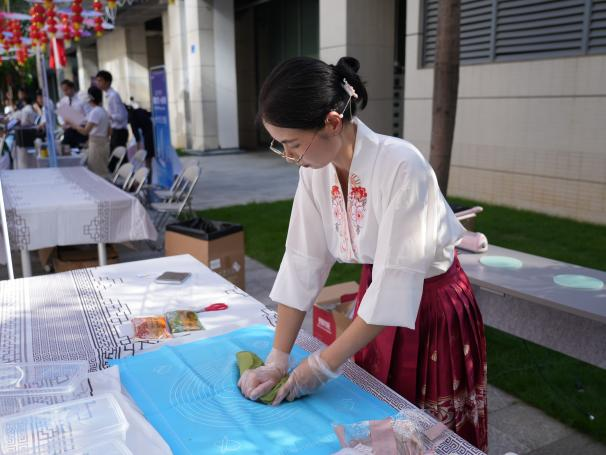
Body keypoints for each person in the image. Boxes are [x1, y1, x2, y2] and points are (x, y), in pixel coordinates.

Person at [237, 56, 488, 451]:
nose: (291, 157)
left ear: (332, 123)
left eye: (293, 145)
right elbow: (303, 260)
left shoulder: (401, 165)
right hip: (375, 302)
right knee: (379, 421)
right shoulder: (315, 172)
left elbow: (395, 286)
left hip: (431, 306)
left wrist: (320, 367)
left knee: (427, 431)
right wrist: (278, 358)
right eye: (281, 146)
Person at [65, 86, 110, 176]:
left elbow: (85, 131)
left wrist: (74, 126)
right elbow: (109, 131)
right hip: (103, 143)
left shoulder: (95, 112)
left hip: (97, 145)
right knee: (101, 170)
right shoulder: (103, 111)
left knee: (97, 172)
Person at [95, 70, 129, 155]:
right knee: (117, 157)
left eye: (100, 80)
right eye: (97, 80)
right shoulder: (107, 95)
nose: (97, 83)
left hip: (119, 131)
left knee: (117, 158)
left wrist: (107, 115)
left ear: (107, 82)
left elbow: (121, 116)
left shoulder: (113, 96)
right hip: (115, 131)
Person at [57, 79, 89, 151]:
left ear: (72, 88)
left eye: (66, 90)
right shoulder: (63, 101)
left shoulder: (82, 99)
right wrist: (63, 123)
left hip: (80, 129)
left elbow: (88, 116)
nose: (65, 92)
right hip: (68, 130)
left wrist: (74, 121)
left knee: (79, 150)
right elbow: (60, 115)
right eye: (63, 90)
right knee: (65, 149)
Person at [126, 104, 154, 173]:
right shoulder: (139, 110)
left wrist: (138, 151)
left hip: (148, 135)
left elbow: (137, 137)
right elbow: (150, 114)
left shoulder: (132, 119)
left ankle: (148, 173)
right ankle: (151, 172)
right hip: (154, 132)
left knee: (148, 156)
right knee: (152, 155)